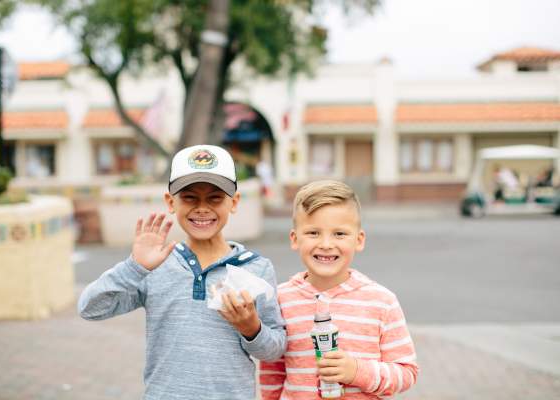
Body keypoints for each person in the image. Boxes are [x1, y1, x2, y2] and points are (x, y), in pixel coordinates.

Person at [78, 144, 286, 400]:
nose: (202, 208)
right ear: (170, 202)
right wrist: (134, 267)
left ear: (234, 202)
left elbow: (275, 350)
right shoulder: (154, 266)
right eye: (189, 197)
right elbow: (90, 308)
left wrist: (251, 327)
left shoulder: (256, 267)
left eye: (215, 198)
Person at [260, 180, 419, 399]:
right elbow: (272, 371)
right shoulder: (280, 299)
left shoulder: (382, 301)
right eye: (313, 233)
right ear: (295, 239)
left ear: (359, 240)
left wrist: (356, 371)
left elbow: (406, 373)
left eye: (339, 234)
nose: (326, 243)